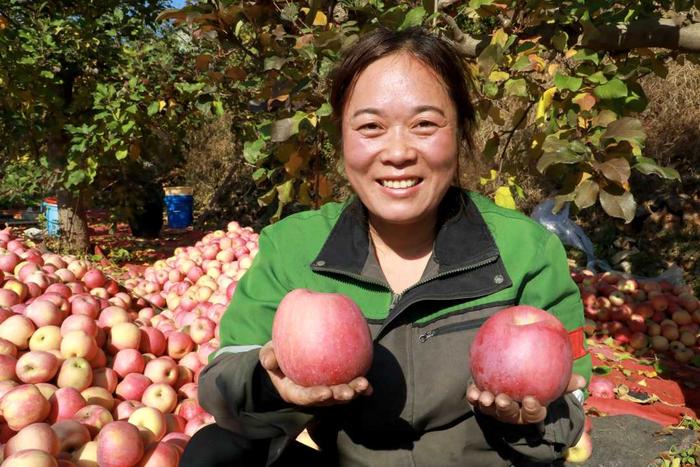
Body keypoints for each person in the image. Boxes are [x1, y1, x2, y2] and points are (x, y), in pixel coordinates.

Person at [181, 26, 592, 467]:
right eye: (371, 126)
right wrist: (270, 382)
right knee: (214, 454)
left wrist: (528, 420)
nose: (398, 152)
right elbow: (224, 380)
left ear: (460, 131)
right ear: (342, 138)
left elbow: (570, 403)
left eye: (425, 124)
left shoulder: (526, 251)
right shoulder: (293, 247)